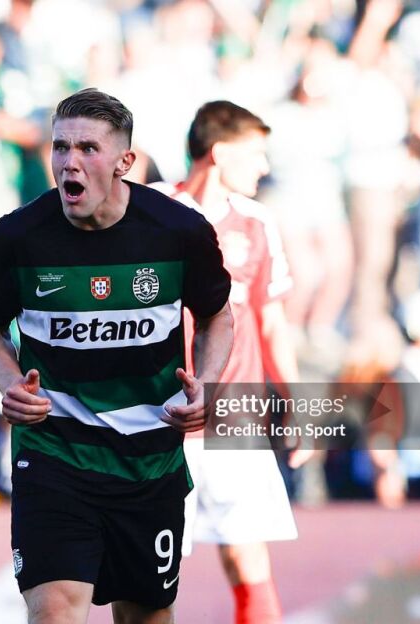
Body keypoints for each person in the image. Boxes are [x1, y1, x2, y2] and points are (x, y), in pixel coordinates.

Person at [0, 88, 234, 624]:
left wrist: (206, 383)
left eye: (88, 148)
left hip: (148, 459)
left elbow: (217, 317)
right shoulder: (17, 236)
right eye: (60, 147)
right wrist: (9, 382)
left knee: (144, 617)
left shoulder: (179, 231)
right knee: (54, 611)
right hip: (55, 455)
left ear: (124, 162)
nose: (70, 161)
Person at [154, 100, 307, 624]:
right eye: (255, 153)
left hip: (234, 417)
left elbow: (271, 321)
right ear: (219, 152)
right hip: (159, 417)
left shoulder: (257, 222)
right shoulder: (151, 209)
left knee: (247, 557)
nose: (264, 167)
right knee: (149, 569)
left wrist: (296, 405)